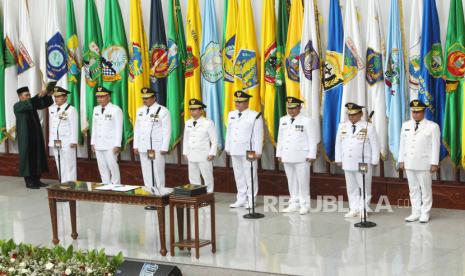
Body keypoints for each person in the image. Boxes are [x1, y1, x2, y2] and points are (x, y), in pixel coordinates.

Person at [335, 103, 380, 218]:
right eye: (349, 115)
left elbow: (375, 145)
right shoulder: (342, 126)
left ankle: (364, 208)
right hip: (348, 162)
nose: (351, 117)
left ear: (361, 114)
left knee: (364, 185)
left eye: (354, 115)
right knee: (351, 187)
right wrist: (339, 159)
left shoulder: (368, 127)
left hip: (363, 163)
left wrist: (375, 160)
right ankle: (354, 208)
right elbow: (338, 144)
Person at [399, 100, 440, 223]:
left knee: (426, 190)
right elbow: (403, 144)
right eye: (414, 112)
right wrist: (401, 160)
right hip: (409, 163)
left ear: (423, 112)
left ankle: (425, 213)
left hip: (424, 164)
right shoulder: (405, 125)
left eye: (418, 112)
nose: (415, 114)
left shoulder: (432, 126)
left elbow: (435, 146)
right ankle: (415, 212)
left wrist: (434, 163)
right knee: (413, 189)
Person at [276, 97, 318, 215]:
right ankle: (294, 202)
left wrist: (312, 154)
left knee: (303, 181)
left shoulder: (307, 121)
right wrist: (279, 153)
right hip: (287, 154)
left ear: (300, 107)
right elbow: (280, 138)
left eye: (293, 108)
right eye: (289, 108)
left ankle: (305, 204)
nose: (291, 110)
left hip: (302, 156)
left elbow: (312, 139)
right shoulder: (283, 119)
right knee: (291, 180)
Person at [225, 91, 264, 209]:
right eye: (236, 101)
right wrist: (228, 147)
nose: (237, 103)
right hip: (235, 149)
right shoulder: (231, 114)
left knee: (250, 175)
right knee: (238, 175)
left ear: (247, 102)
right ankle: (241, 199)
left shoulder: (254, 115)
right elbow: (229, 132)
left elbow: (258, 134)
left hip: (250, 150)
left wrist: (258, 151)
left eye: (240, 102)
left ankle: (251, 200)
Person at [14, 86, 54, 189]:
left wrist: (47, 96)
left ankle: (37, 180)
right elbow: (31, 102)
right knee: (27, 157)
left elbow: (45, 104)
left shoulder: (31, 104)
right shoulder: (18, 106)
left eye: (29, 95)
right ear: (20, 97)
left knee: (37, 155)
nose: (28, 97)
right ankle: (29, 181)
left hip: (35, 135)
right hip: (25, 136)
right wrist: (39, 95)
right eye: (26, 95)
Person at [133, 87, 171, 191]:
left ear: (154, 98)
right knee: (146, 171)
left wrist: (164, 147)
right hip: (143, 146)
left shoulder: (163, 111)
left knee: (157, 171)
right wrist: (136, 145)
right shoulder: (140, 110)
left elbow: (166, 130)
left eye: (148, 98)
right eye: (143, 98)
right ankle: (149, 193)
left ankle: (160, 193)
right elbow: (137, 128)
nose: (145, 100)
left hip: (155, 146)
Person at [183, 99, 218, 193]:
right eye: (190, 109)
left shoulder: (208, 123)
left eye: (194, 109)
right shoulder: (188, 122)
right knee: (193, 176)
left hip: (204, 154)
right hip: (191, 154)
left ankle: (209, 194)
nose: (191, 111)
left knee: (207, 176)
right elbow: (186, 139)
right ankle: (197, 194)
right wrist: (185, 152)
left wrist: (212, 153)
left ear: (201, 110)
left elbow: (214, 140)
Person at [90, 86, 122, 185]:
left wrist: (117, 144)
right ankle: (105, 186)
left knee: (113, 167)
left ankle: (116, 186)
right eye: (98, 97)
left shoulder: (115, 109)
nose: (99, 99)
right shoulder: (96, 109)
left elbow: (119, 128)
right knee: (102, 167)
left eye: (102, 97)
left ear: (109, 97)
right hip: (99, 143)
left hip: (110, 144)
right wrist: (93, 142)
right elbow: (94, 127)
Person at [48, 86, 78, 183]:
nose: (56, 99)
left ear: (65, 97)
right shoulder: (52, 109)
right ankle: (63, 185)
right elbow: (52, 125)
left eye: (59, 97)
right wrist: (51, 140)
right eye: (55, 97)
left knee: (70, 164)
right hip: (56, 141)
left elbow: (74, 125)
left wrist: (74, 140)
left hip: (67, 141)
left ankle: (72, 186)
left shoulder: (71, 109)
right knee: (60, 164)